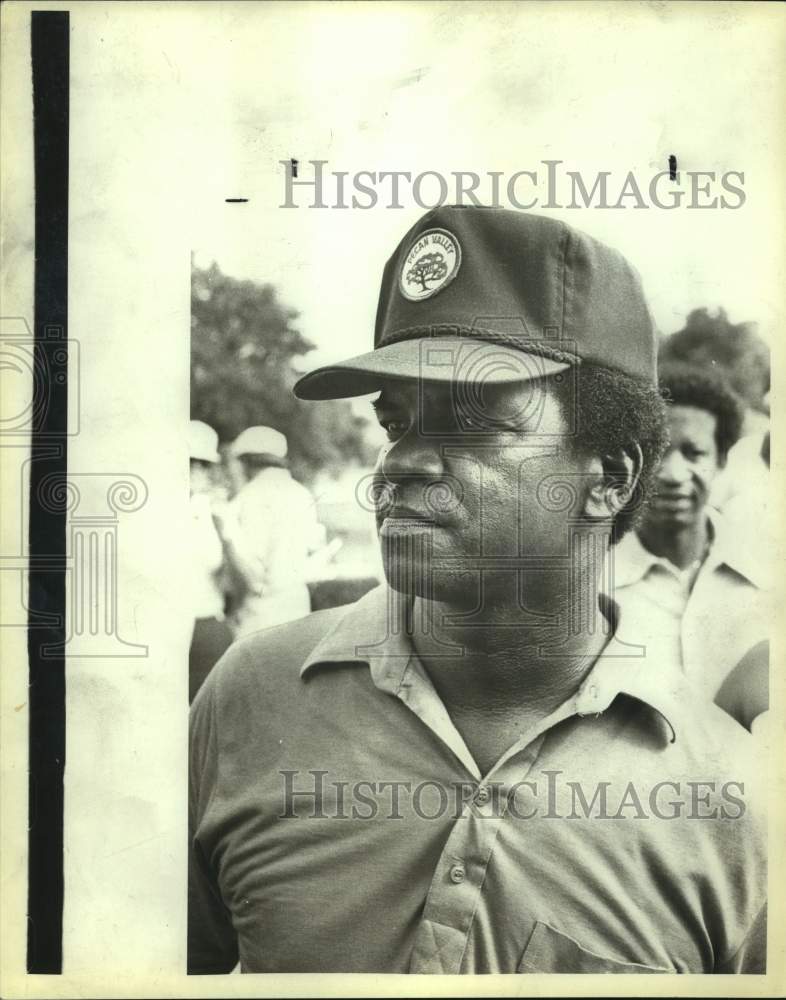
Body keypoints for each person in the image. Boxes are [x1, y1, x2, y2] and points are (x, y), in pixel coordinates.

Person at [189, 208, 765, 974]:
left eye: (474, 424)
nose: (400, 464)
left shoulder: (728, 798)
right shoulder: (251, 699)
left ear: (612, 477)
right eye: (396, 424)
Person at [608, 365, 770, 704]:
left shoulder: (765, 569)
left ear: (722, 460)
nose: (673, 473)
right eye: (658, 453)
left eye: (694, 453)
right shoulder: (595, 580)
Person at [217, 426, 325, 637]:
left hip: (261, 612)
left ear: (247, 461)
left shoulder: (250, 497)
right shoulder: (301, 492)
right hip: (297, 604)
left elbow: (250, 571)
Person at [188, 420, 233, 702]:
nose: (202, 473)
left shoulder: (209, 510)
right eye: (197, 465)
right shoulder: (203, 510)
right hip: (183, 626)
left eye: (205, 466)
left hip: (204, 623)